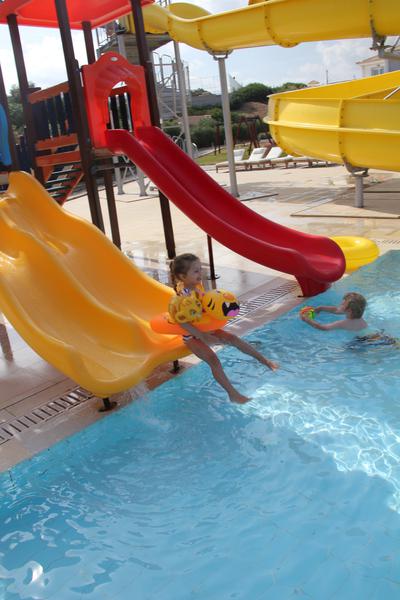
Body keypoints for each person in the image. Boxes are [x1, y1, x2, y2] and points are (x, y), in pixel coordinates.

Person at [170, 253, 278, 404]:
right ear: (183, 276)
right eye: (195, 271)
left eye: (200, 269)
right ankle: (233, 394)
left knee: (233, 339)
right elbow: (181, 322)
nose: (200, 273)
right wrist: (203, 336)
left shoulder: (197, 287)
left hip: (206, 329)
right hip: (192, 336)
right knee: (214, 360)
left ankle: (265, 361)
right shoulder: (183, 297)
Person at [300, 292, 398, 346]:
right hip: (375, 334)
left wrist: (307, 319)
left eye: (343, 304)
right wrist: (321, 308)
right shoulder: (356, 314)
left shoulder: (344, 323)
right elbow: (336, 310)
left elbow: (323, 327)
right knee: (392, 343)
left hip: (366, 340)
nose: (340, 304)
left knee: (348, 348)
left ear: (349, 311)